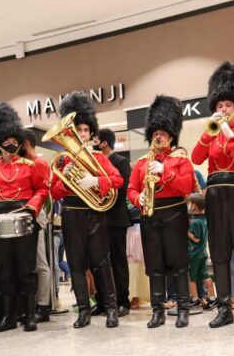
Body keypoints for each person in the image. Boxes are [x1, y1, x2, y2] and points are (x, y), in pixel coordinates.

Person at [191, 61, 234, 328]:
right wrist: (209, 136)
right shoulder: (211, 134)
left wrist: (229, 132)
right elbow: (197, 157)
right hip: (217, 195)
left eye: (228, 106)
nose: (223, 110)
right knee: (219, 252)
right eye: (219, 106)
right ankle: (224, 308)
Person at [51, 91, 124, 329]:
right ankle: (83, 311)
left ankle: (111, 309)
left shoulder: (100, 158)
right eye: (78, 129)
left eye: (85, 130)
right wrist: (67, 179)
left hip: (95, 213)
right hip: (71, 213)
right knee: (76, 263)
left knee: (102, 262)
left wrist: (96, 182)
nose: (81, 134)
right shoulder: (62, 160)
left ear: (91, 132)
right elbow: (55, 192)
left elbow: (117, 180)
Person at [127, 95, 195, 328]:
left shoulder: (181, 160)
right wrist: (139, 198)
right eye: (155, 132)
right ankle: (157, 311)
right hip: (150, 216)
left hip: (175, 214)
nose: (158, 136)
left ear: (171, 136)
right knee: (154, 266)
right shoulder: (140, 164)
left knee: (179, 264)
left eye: (163, 133)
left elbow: (187, 187)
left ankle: (183, 309)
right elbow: (131, 190)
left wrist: (166, 170)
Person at [0, 103, 49, 332]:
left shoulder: (31, 166)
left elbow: (42, 190)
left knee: (26, 267)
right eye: (5, 139)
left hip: (24, 218)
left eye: (13, 139)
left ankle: (29, 316)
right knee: (3, 269)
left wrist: (32, 208)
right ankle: (8, 317)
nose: (11, 143)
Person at [92, 128, 132, 317]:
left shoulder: (121, 162)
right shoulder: (93, 162)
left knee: (118, 261)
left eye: (95, 139)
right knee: (99, 262)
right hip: (97, 218)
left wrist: (99, 184)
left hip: (115, 218)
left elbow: (122, 189)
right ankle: (103, 301)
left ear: (104, 143)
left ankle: (123, 301)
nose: (93, 142)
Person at [20, 129, 52, 323]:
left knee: (40, 262)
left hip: (34, 215)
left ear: (25, 143)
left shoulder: (38, 163)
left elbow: (43, 192)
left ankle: (42, 305)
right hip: (27, 215)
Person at [186, 193, 217, 310]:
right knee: (205, 276)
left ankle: (194, 299)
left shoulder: (196, 223)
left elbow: (196, 238)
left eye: (189, 203)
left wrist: (186, 231)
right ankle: (213, 298)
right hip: (202, 253)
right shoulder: (203, 219)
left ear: (193, 206)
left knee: (191, 278)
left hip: (194, 254)